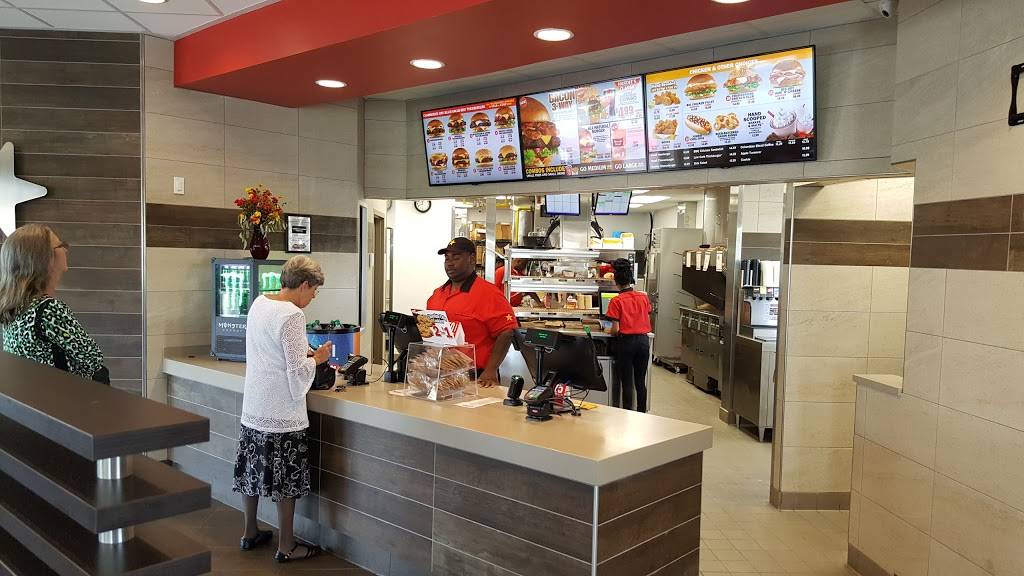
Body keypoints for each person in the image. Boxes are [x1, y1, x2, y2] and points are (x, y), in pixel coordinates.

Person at [233, 255, 332, 563]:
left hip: (254, 404)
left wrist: (305, 354)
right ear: (304, 284)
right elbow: (296, 371)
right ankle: (286, 545)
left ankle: (250, 532)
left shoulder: (260, 302)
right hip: (281, 410)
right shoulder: (292, 315)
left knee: (252, 469)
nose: (313, 297)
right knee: (285, 479)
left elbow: (271, 349)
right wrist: (318, 359)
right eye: (314, 291)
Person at [0, 224, 106, 381]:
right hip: (61, 394)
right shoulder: (48, 309)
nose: (66, 250)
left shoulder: (16, 307)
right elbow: (93, 359)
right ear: (45, 259)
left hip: (33, 393)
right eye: (61, 245)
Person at [428, 237, 517, 387]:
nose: (450, 263)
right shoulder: (437, 294)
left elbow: (507, 331)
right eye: (447, 258)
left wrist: (491, 370)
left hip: (477, 378)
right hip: (440, 376)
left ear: (471, 259)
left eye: (456, 257)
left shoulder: (489, 293)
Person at [604, 258, 652, 412]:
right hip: (643, 342)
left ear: (616, 281)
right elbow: (646, 316)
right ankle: (642, 413)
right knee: (640, 382)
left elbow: (615, 329)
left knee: (627, 382)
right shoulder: (643, 297)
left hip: (626, 344)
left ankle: (627, 414)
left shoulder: (616, 301)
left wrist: (607, 330)